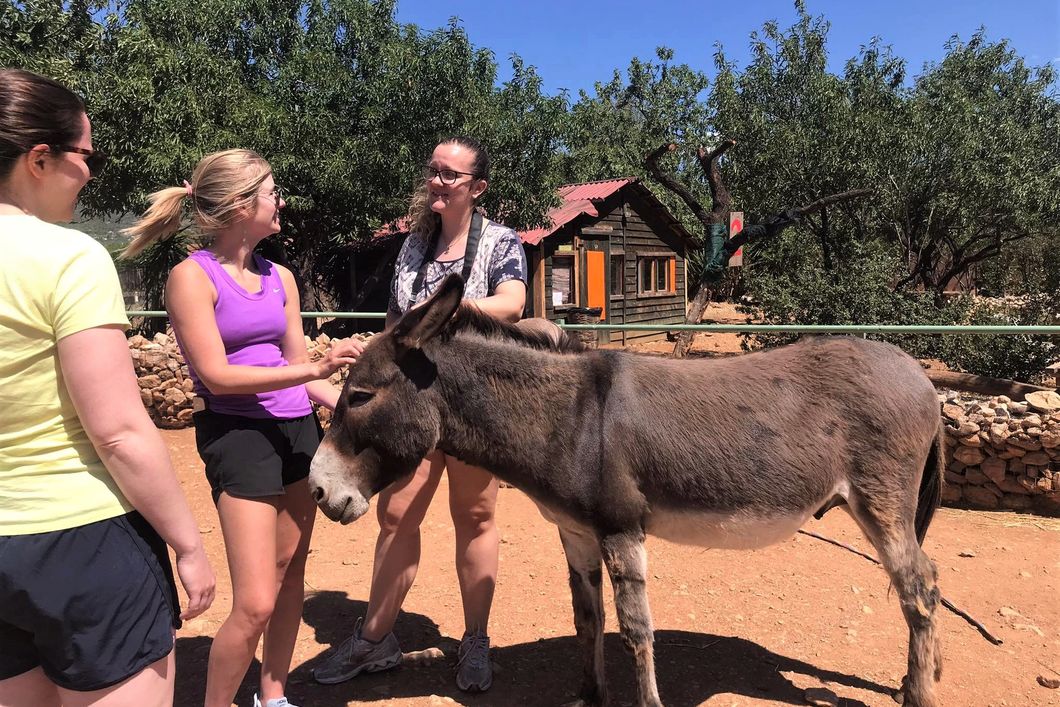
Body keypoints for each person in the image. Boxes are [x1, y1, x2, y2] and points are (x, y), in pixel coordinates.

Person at [0, 68, 215, 707]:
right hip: (80, 539)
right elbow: (119, 432)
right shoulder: (69, 258)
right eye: (83, 155)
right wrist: (188, 543)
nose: (89, 172)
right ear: (40, 158)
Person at [123, 149, 362, 707]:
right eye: (271, 191)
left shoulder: (281, 278)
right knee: (255, 601)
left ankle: (272, 695)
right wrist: (314, 369)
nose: (280, 201)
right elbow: (214, 375)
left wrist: (355, 417)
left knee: (291, 576)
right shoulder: (190, 277)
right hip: (239, 436)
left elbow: (300, 373)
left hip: (298, 431)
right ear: (239, 204)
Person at [313, 136, 527, 693]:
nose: (438, 180)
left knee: (475, 517)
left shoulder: (501, 242)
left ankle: (475, 640)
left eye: (450, 174)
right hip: (411, 406)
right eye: (434, 170)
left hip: (473, 408)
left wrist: (446, 310)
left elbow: (514, 303)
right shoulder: (413, 245)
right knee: (395, 517)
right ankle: (374, 637)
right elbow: (393, 321)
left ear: (476, 188)